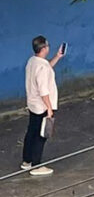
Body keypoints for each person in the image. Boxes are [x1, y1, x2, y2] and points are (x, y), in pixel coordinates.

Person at [22, 35, 63, 176]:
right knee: (41, 135)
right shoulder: (42, 67)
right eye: (48, 45)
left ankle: (27, 161)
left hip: (33, 105)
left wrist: (57, 57)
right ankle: (36, 165)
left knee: (31, 132)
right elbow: (44, 90)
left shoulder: (33, 61)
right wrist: (49, 108)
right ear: (44, 48)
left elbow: (46, 68)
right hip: (42, 106)